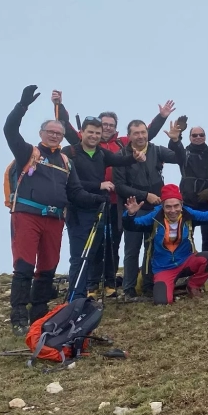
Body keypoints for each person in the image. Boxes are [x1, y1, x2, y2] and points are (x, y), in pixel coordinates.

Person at [4, 86, 107, 336]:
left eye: (58, 133)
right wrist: (22, 106)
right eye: (50, 132)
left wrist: (99, 199)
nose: (54, 135)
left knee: (48, 266)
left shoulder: (65, 161)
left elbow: (76, 193)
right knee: (24, 265)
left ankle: (39, 314)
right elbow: (10, 130)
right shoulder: (28, 153)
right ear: (41, 133)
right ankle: (19, 316)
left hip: (54, 218)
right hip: (27, 215)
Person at [51, 91, 171, 296]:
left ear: (116, 128)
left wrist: (161, 117)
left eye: (110, 125)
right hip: (87, 200)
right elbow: (67, 128)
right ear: (86, 131)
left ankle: (110, 282)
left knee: (111, 243)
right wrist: (59, 106)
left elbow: (144, 134)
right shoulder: (81, 145)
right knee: (92, 245)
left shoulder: (122, 143)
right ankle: (90, 285)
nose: (106, 128)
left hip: (117, 202)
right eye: (103, 125)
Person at [61, 117, 143, 299]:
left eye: (97, 133)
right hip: (77, 211)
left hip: (98, 209)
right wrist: (98, 185)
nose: (94, 136)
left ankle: (89, 291)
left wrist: (134, 157)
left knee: (98, 250)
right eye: (90, 132)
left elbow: (120, 160)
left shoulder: (101, 153)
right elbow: (69, 182)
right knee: (79, 255)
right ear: (81, 132)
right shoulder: (69, 152)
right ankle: (76, 297)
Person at [112, 120, 186, 300]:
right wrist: (145, 195)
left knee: (152, 248)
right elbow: (119, 186)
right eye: (136, 133)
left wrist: (176, 141)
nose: (140, 136)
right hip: (134, 209)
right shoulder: (121, 156)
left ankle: (148, 286)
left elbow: (180, 159)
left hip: (156, 208)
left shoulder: (156, 150)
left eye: (143, 132)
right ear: (129, 136)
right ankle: (128, 290)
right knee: (132, 250)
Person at [122, 185, 208, 305]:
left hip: (186, 261)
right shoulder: (155, 216)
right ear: (162, 206)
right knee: (162, 301)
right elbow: (132, 226)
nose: (173, 210)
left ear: (181, 204)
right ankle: (170, 286)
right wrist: (130, 215)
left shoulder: (187, 213)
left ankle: (193, 286)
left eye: (176, 206)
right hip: (164, 268)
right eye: (168, 207)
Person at [174, 125, 208, 252]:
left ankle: (207, 263)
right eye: (194, 135)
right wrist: (176, 137)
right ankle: (186, 262)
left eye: (201, 135)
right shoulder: (184, 154)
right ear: (189, 137)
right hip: (188, 201)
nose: (198, 137)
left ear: (205, 137)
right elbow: (175, 148)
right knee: (186, 238)